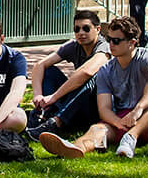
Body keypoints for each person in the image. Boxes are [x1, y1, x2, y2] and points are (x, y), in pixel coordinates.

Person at [38, 15, 148, 158]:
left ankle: (131, 137)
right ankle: (74, 148)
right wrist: (117, 122)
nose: (111, 45)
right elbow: (104, 109)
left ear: (132, 43)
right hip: (125, 119)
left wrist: (138, 109)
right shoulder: (106, 70)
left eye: (116, 41)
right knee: (97, 129)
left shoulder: (146, 56)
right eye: (109, 40)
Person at [31, 9, 106, 137]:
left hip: (96, 105)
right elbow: (40, 65)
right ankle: (45, 113)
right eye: (77, 29)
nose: (81, 33)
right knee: (48, 71)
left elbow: (87, 72)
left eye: (86, 28)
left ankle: (56, 123)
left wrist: (54, 96)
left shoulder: (105, 47)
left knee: (92, 78)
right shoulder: (74, 46)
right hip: (76, 102)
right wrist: (37, 95)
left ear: (98, 29)